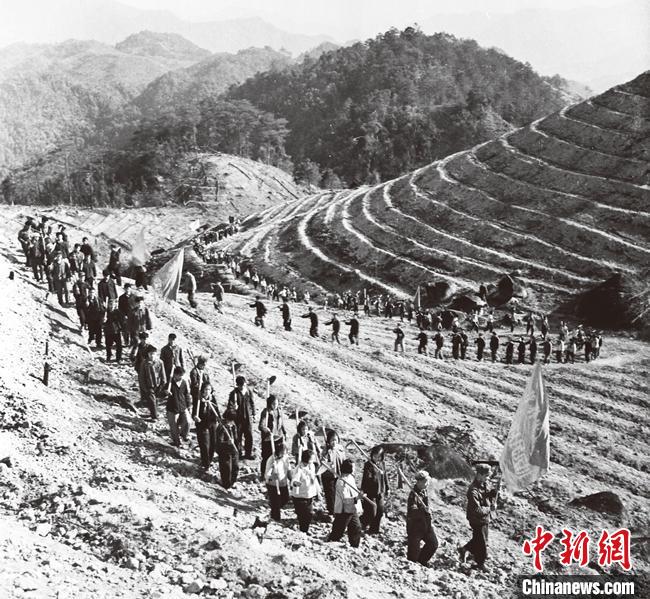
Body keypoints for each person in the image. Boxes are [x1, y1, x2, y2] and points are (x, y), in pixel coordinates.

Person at [459, 464, 497, 571]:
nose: (488, 478)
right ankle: (480, 563)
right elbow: (477, 510)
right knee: (482, 542)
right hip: (476, 519)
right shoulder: (473, 491)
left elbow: (486, 494)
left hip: (484, 518)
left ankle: (464, 549)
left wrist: (492, 494)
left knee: (479, 539)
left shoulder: (484, 484)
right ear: (479, 475)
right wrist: (490, 509)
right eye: (486, 476)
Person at [328, 459, 363, 548]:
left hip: (352, 508)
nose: (355, 469)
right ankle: (331, 543)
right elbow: (345, 500)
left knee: (356, 527)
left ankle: (354, 546)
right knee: (339, 529)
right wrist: (357, 498)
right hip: (343, 510)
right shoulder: (341, 482)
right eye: (353, 467)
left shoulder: (350, 478)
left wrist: (358, 496)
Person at [406, 470, 438, 566]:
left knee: (433, 544)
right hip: (415, 527)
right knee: (412, 557)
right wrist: (423, 510)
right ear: (419, 482)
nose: (427, 484)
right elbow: (412, 511)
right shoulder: (413, 495)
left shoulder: (424, 491)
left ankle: (422, 561)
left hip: (426, 524)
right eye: (425, 482)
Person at [360, 446, 389, 535]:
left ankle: (374, 530)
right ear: (372, 455)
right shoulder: (368, 465)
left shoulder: (382, 464)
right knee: (371, 511)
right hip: (370, 492)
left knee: (380, 511)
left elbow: (385, 477)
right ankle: (361, 523)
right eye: (375, 456)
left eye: (379, 456)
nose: (376, 458)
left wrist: (388, 488)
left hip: (380, 491)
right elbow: (367, 478)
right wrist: (376, 475)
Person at [290, 449, 321, 533]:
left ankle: (304, 530)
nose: (313, 460)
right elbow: (294, 479)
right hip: (300, 496)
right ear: (307, 459)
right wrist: (295, 483)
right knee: (302, 515)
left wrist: (318, 491)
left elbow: (314, 479)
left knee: (309, 514)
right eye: (312, 459)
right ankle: (303, 531)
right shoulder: (299, 469)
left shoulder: (312, 466)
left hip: (309, 494)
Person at [227, 375, 256, 460]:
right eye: (241, 386)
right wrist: (234, 409)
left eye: (244, 385)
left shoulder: (249, 391)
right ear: (238, 385)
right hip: (238, 419)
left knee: (249, 436)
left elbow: (252, 403)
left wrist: (254, 414)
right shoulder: (234, 394)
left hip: (248, 418)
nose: (243, 387)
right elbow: (230, 407)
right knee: (238, 437)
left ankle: (248, 454)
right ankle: (238, 454)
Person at [193, 382, 219, 472]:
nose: (207, 391)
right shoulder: (198, 400)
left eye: (209, 389)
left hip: (212, 424)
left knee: (213, 443)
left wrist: (219, 419)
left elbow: (217, 411)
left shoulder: (212, 399)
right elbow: (194, 412)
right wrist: (195, 417)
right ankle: (206, 464)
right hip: (202, 425)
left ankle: (209, 460)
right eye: (206, 389)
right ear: (203, 390)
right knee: (204, 445)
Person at [258, 395, 286, 477]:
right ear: (270, 404)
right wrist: (267, 431)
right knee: (266, 457)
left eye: (276, 403)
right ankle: (263, 474)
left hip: (278, 437)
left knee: (278, 456)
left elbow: (282, 423)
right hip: (268, 439)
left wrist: (285, 432)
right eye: (274, 404)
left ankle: (274, 473)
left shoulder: (279, 411)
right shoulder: (266, 412)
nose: (275, 405)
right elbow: (261, 426)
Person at [320, 430, 345, 516]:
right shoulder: (326, 450)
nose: (334, 442)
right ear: (328, 441)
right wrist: (328, 462)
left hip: (338, 474)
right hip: (328, 476)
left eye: (335, 439)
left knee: (338, 493)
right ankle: (332, 511)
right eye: (332, 440)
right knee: (330, 493)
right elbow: (323, 462)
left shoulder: (340, 449)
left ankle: (338, 509)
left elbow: (343, 460)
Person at [265, 444, 292, 522]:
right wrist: (272, 475)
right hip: (273, 485)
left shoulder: (285, 458)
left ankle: (273, 508)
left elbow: (289, 470)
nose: (284, 454)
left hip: (283, 484)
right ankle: (275, 519)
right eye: (283, 453)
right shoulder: (271, 460)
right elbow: (267, 475)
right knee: (276, 503)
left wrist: (291, 480)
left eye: (285, 453)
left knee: (285, 499)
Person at [138, 346, 166, 420]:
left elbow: (162, 373)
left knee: (156, 400)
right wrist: (144, 388)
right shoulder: (144, 363)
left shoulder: (160, 362)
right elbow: (141, 377)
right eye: (150, 354)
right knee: (152, 400)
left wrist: (163, 383)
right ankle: (154, 417)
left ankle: (154, 413)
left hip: (158, 384)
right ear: (148, 354)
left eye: (153, 354)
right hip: (148, 385)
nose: (152, 355)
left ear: (156, 354)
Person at [166, 366, 191, 447]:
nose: (181, 377)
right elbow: (160, 393)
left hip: (183, 406)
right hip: (172, 408)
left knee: (188, 421)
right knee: (174, 426)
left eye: (182, 375)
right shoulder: (169, 383)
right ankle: (176, 442)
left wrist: (189, 405)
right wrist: (165, 392)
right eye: (179, 375)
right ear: (175, 374)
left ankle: (184, 436)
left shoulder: (184, 382)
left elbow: (187, 394)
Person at [216, 410, 239, 488]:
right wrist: (227, 443)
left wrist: (238, 446)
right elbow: (219, 442)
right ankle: (226, 485)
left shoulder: (233, 425)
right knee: (226, 469)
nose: (231, 423)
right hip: (224, 451)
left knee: (235, 467)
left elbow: (236, 438)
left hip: (233, 450)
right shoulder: (221, 427)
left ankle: (232, 482)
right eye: (230, 421)